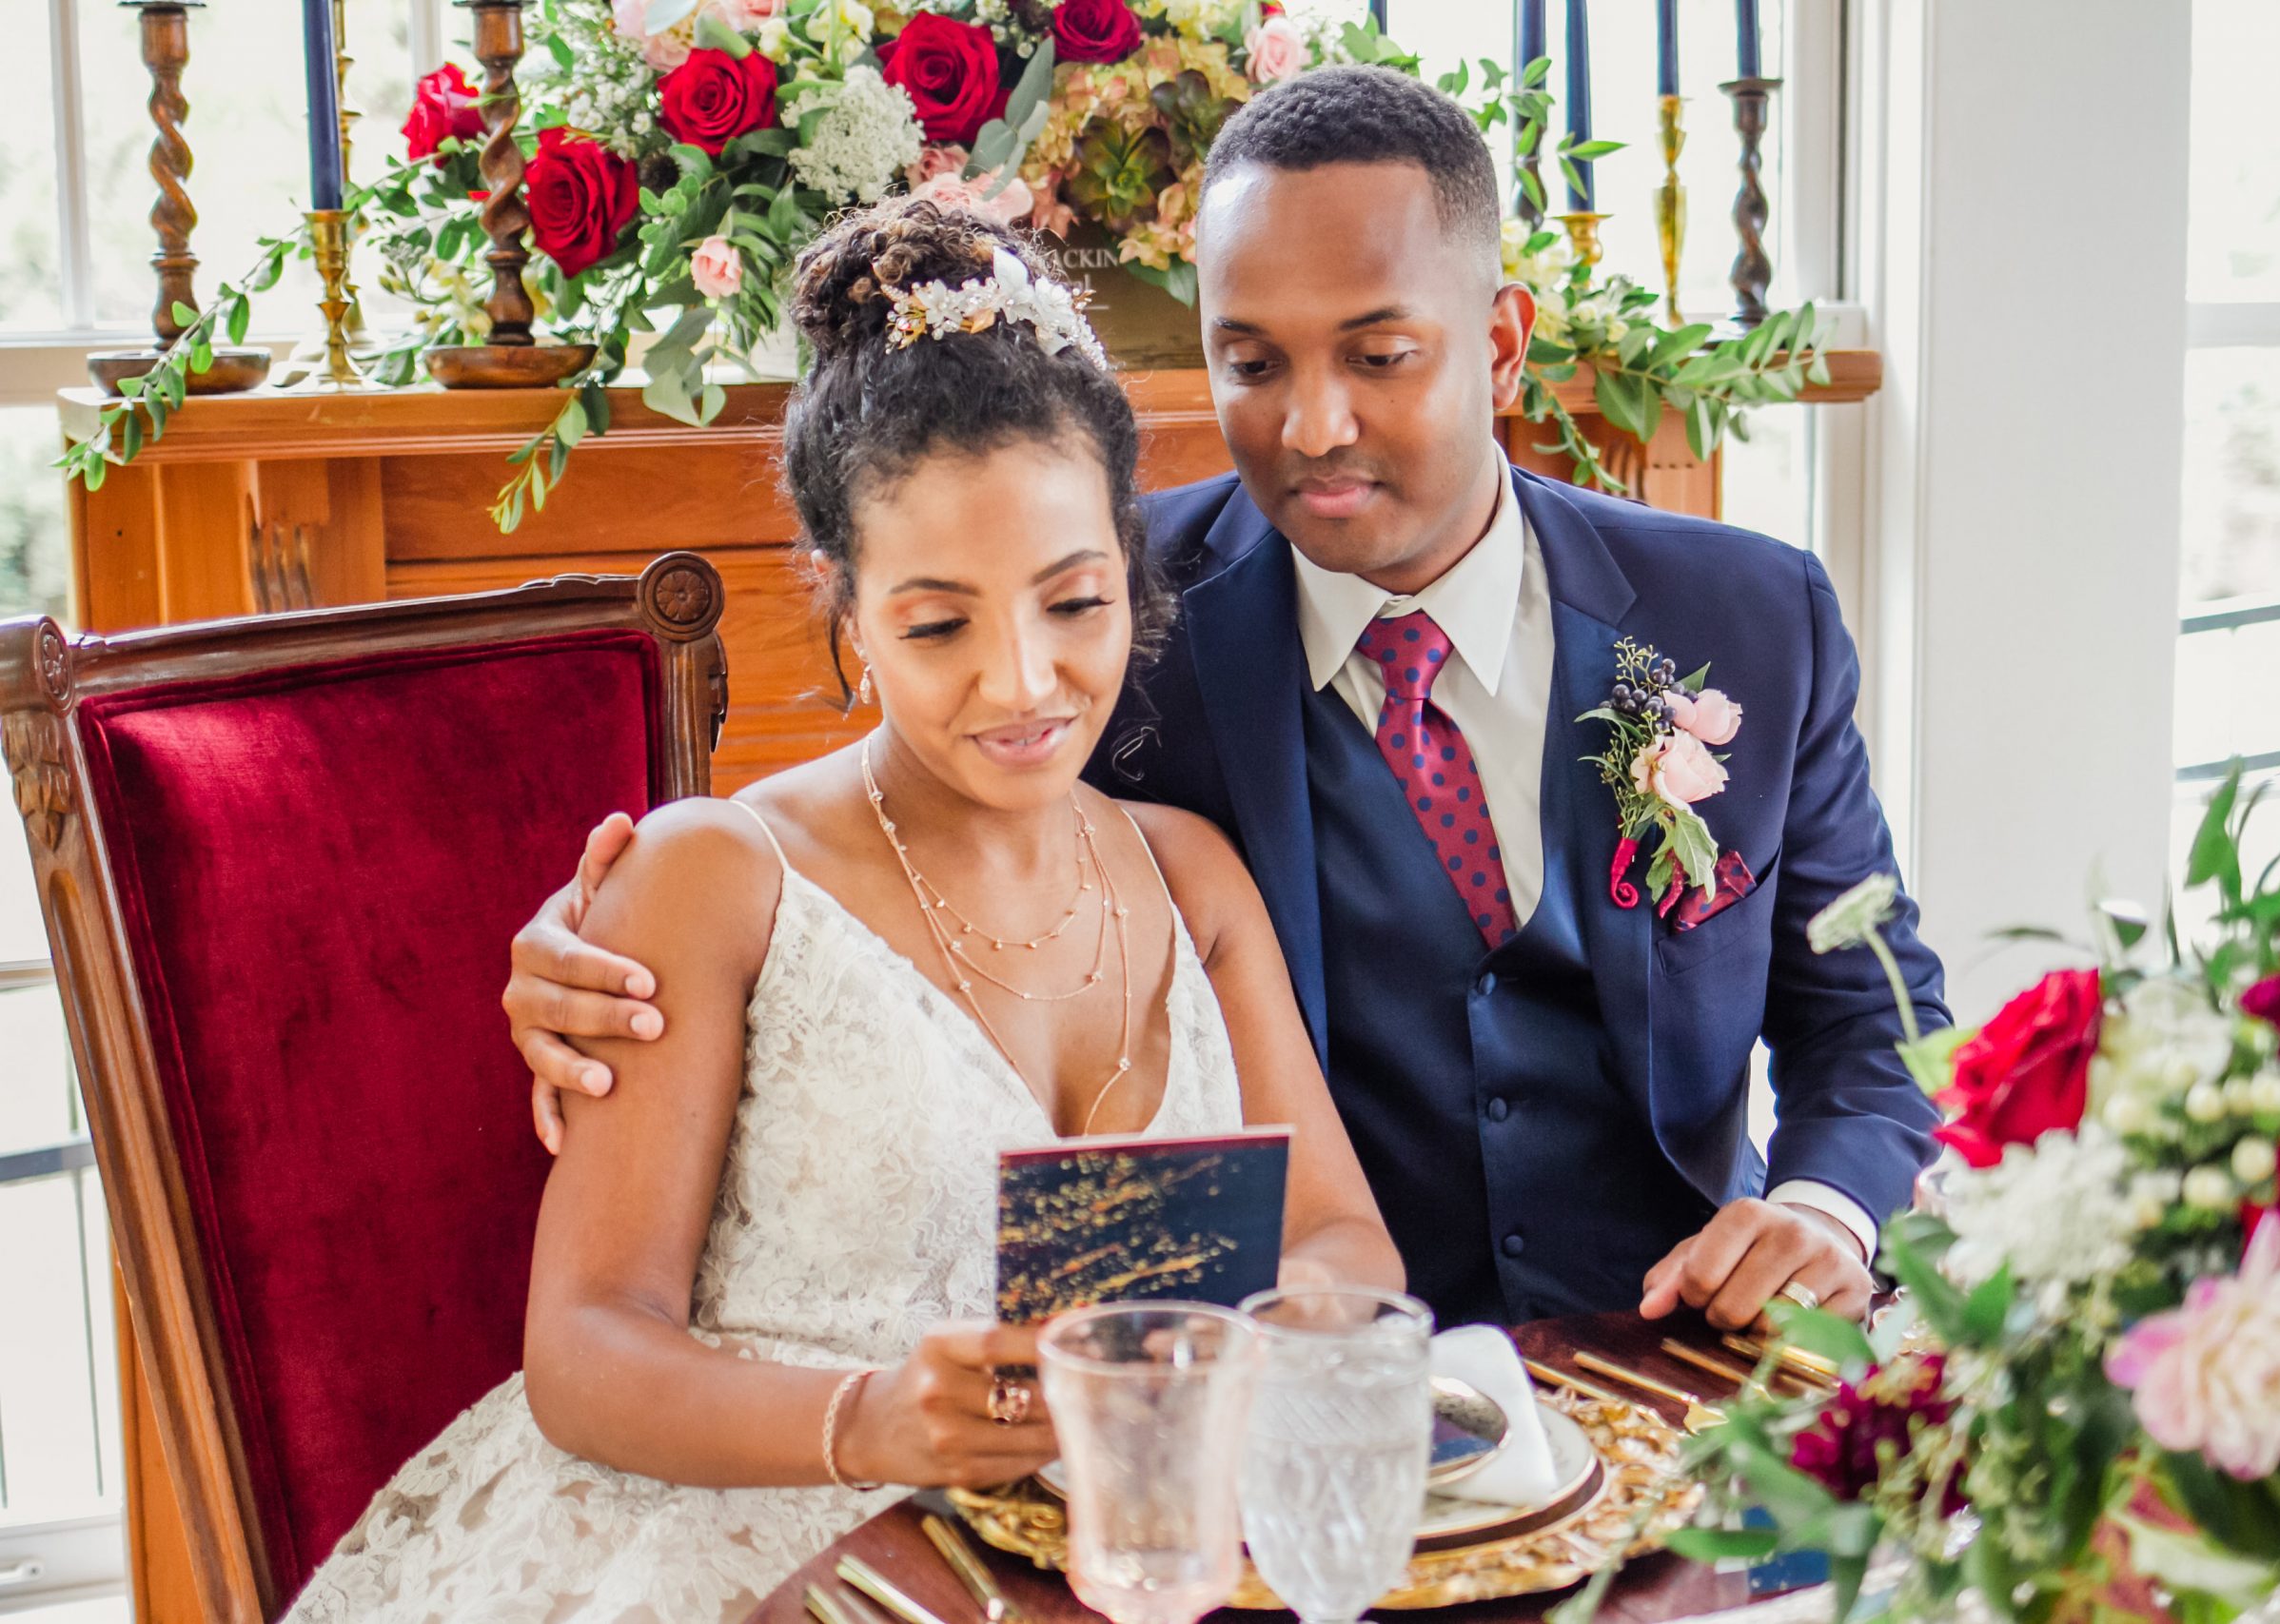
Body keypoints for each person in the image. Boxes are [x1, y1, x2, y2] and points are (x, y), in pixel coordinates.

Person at [506, 67, 1948, 1338]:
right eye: (1251, 363)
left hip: (1679, 1355)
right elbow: (891, 829)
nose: (1312, 426)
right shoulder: (1093, 613)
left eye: (1379, 357)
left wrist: (1825, 1210)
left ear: (1504, 344)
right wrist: (608, 941)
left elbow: (1874, 1019)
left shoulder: (1745, 619)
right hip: (1299, 1385)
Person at [290, 202, 1399, 1623]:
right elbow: (583, 1349)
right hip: (745, 1546)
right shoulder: (715, 877)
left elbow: (1346, 1245)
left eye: (1074, 604)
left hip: (1121, 1552)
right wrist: (865, 1420)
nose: (1023, 683)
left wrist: (1208, 1380)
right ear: (846, 604)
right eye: (938, 625)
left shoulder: (1191, 875)